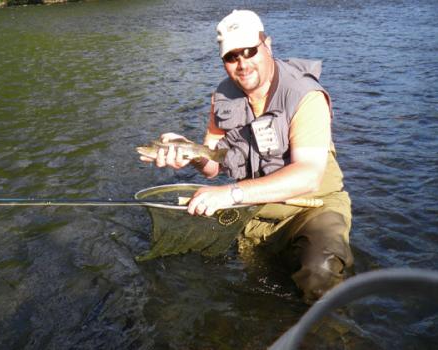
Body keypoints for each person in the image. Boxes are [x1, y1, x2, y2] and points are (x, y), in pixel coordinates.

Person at [140, 9, 353, 304]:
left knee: (320, 272)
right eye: (231, 57)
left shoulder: (305, 95)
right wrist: (188, 151)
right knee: (258, 299)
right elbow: (213, 164)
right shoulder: (223, 97)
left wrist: (230, 194)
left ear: (267, 44)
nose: (242, 63)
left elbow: (308, 175)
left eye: (249, 51)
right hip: (253, 216)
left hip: (310, 210)